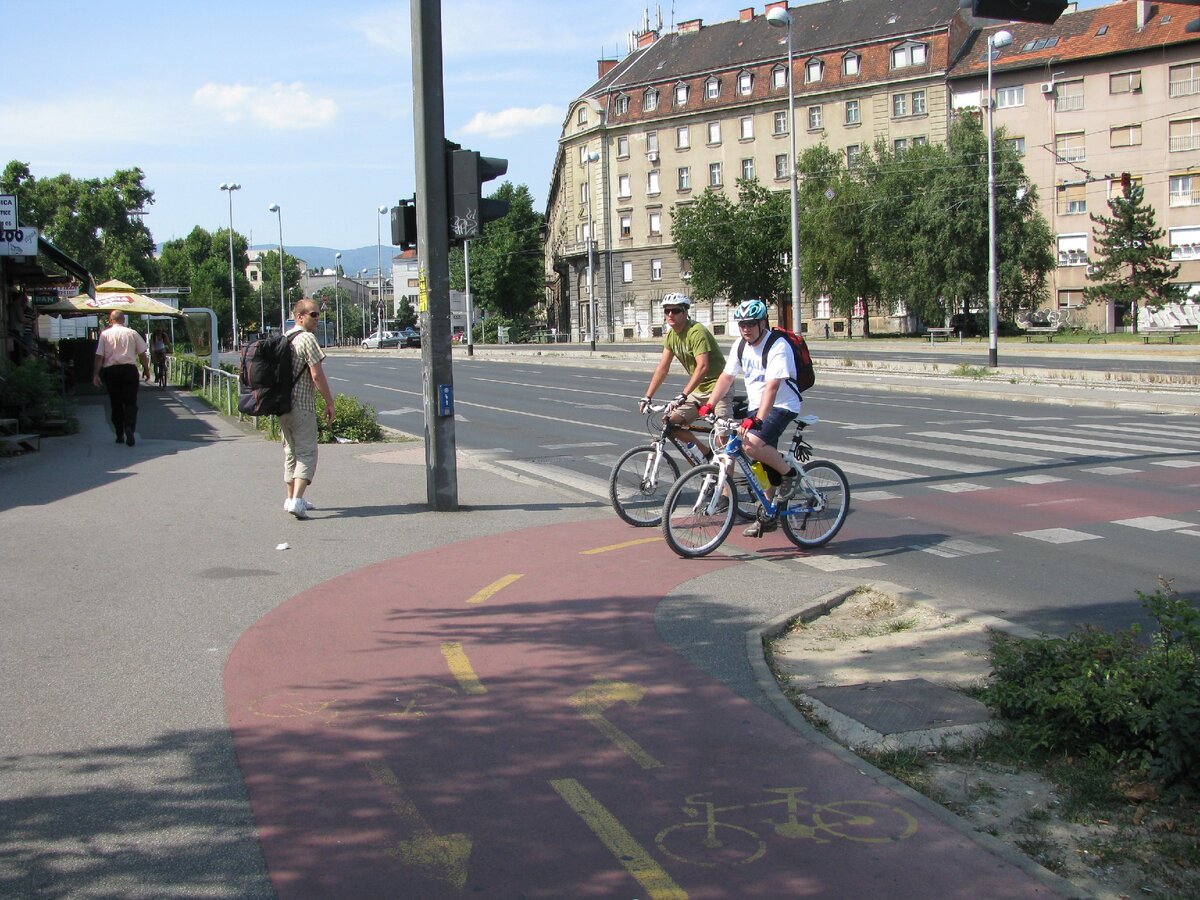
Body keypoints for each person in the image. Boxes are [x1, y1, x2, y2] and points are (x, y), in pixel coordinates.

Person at [698, 298, 802, 538]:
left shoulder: (778, 345)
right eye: (742, 324)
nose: (746, 328)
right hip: (758, 405)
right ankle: (768, 515)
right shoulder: (740, 345)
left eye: (751, 324)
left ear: (763, 323)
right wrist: (710, 405)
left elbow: (773, 387)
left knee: (751, 444)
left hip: (782, 406)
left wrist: (757, 420)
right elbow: (726, 377)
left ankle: (790, 475)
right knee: (761, 463)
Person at [638, 293, 732, 458]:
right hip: (699, 391)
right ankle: (708, 456)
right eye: (666, 311)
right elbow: (663, 368)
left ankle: (725, 482)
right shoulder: (672, 335)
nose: (670, 315)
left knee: (722, 441)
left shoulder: (697, 332)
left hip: (719, 389)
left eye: (675, 311)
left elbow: (702, 367)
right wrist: (647, 396)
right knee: (671, 424)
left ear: (685, 312)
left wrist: (683, 395)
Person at [282, 299, 335, 520]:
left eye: (318, 315)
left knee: (290, 452)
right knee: (306, 452)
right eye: (313, 314)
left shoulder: (285, 338)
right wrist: (329, 402)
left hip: (282, 406)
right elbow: (316, 374)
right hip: (302, 406)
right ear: (300, 316)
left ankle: (291, 498)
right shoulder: (307, 338)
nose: (317, 319)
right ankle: (297, 501)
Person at [92, 310, 150, 446]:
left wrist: (95, 375)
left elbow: (99, 356)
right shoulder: (132, 333)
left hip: (111, 371)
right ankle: (129, 427)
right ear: (124, 320)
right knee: (131, 402)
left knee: (116, 403)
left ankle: (119, 433)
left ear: (111, 320)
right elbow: (142, 354)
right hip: (129, 370)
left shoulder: (105, 335)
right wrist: (146, 370)